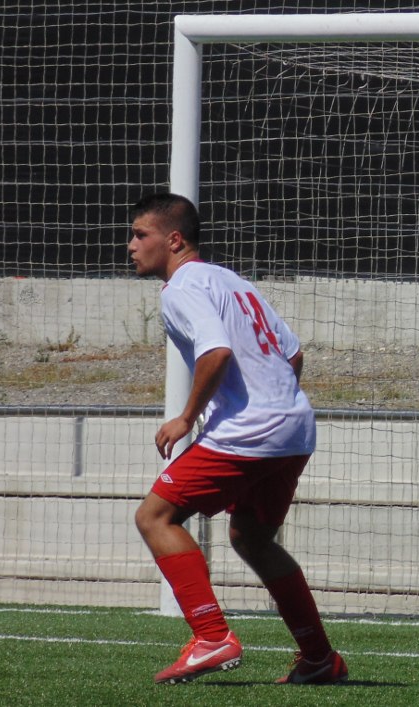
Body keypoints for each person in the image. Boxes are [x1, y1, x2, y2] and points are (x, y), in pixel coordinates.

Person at [128, 192, 347, 685]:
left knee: (154, 517)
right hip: (294, 427)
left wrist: (186, 418)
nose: (131, 245)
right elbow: (292, 354)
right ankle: (319, 657)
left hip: (249, 431)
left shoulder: (181, 287)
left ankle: (211, 636)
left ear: (174, 240)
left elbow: (216, 352)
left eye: (141, 235)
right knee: (251, 536)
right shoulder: (231, 280)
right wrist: (274, 399)